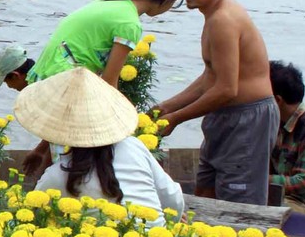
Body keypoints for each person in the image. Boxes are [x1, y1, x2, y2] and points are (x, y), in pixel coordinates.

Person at [22, 0, 187, 177]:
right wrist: (121, 127)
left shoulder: (110, 2)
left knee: (64, 152)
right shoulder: (129, 24)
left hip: (55, 74)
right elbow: (109, 82)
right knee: (75, 156)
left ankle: (45, 180)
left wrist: (40, 149)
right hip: (67, 78)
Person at [157, 0, 277, 205]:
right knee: (205, 193)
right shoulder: (212, 17)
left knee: (238, 204)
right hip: (222, 118)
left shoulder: (224, 19)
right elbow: (209, 77)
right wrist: (167, 107)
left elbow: (226, 89)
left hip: (246, 121)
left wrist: (176, 118)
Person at [21, 69, 185, 224]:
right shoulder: (134, 146)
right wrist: (173, 221)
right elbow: (173, 201)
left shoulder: (58, 175)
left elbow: (36, 215)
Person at [269, 61, 305, 215]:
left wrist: (262, 179)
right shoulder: (277, 125)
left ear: (277, 100)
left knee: (270, 209)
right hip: (285, 197)